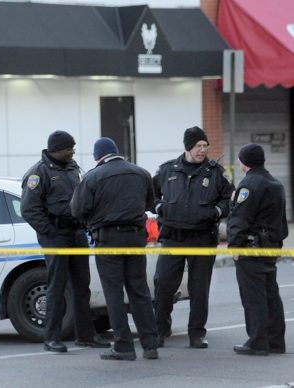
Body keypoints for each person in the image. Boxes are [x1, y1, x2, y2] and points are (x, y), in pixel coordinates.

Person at [71, 137, 159, 361]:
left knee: (114, 294)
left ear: (98, 157)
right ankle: (150, 345)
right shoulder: (141, 173)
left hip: (108, 240)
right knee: (140, 292)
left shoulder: (93, 176)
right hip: (136, 238)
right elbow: (151, 203)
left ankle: (123, 346)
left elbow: (77, 210)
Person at [21, 130, 109, 353]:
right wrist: (49, 231)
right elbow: (29, 209)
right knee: (57, 287)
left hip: (76, 233)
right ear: (57, 150)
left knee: (82, 286)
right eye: (69, 148)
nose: (73, 152)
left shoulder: (73, 168)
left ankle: (86, 335)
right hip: (56, 235)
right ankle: (51, 338)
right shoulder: (38, 173)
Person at [152, 126, 233, 348]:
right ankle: (160, 328)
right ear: (188, 147)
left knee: (199, 288)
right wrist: (160, 208)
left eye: (205, 146)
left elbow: (229, 199)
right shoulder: (167, 170)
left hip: (202, 238)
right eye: (198, 145)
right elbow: (149, 194)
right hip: (173, 236)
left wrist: (216, 212)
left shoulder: (216, 172)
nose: (202, 150)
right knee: (164, 284)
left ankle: (196, 333)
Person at [227, 143, 288, 356]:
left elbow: (240, 219)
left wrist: (234, 246)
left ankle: (257, 342)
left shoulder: (249, 185)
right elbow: (282, 221)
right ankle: (276, 342)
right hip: (270, 249)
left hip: (250, 249)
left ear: (244, 162)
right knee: (271, 295)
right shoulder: (275, 183)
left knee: (254, 297)